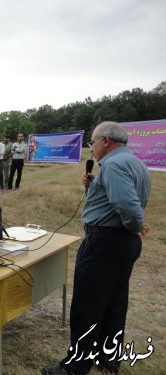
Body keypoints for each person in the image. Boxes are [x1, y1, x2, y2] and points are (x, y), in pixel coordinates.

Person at [41, 122, 151, 375]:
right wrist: (94, 187)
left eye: (92, 142)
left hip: (106, 243)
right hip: (121, 244)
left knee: (88, 304)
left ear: (106, 140)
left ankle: (75, 368)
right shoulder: (134, 162)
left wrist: (135, 225)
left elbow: (128, 205)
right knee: (113, 301)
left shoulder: (113, 165)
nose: (91, 148)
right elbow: (119, 200)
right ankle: (107, 358)